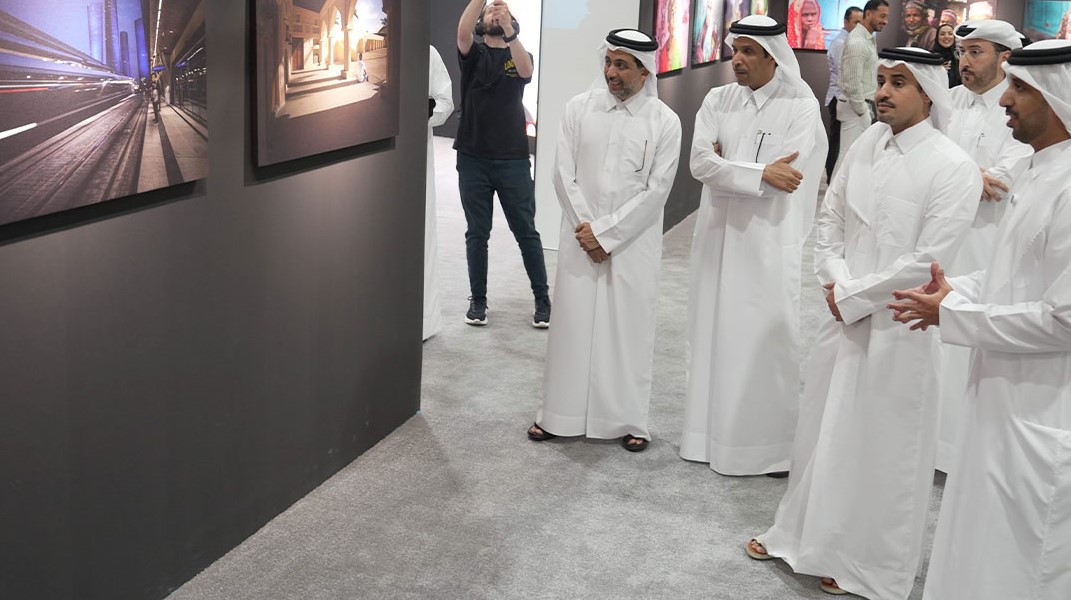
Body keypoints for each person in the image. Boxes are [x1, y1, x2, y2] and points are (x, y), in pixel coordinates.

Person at [746, 47, 982, 599]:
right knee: (823, 429)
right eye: (880, 80)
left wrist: (851, 294)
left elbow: (928, 262)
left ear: (928, 94)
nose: (882, 93)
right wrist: (835, 280)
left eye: (898, 82)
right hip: (843, 312)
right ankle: (801, 535)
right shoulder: (866, 143)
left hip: (902, 324)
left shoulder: (953, 166)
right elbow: (830, 217)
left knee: (883, 444)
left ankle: (868, 563)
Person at [886, 39, 1071, 600]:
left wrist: (955, 312)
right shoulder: (1040, 170)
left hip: (1043, 401)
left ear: (1060, 99)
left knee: (1024, 555)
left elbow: (1064, 319)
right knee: (980, 537)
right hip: (1000, 391)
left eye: (1021, 90)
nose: (1006, 100)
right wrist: (956, 289)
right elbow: (1013, 272)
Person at [678, 15, 827, 476]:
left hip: (768, 240)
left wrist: (731, 169)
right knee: (711, 332)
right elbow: (700, 164)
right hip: (717, 235)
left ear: (773, 57)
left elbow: (789, 178)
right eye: (735, 50)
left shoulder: (801, 105)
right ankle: (706, 438)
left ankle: (766, 449)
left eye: (748, 52)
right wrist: (760, 172)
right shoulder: (717, 98)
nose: (737, 60)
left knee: (763, 338)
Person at [527, 29, 682, 452]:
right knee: (572, 326)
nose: (611, 72)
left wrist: (607, 234)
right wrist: (589, 230)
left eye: (622, 65)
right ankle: (558, 414)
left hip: (632, 244)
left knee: (627, 329)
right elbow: (563, 174)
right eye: (609, 62)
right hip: (580, 238)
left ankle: (628, 420)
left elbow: (657, 190)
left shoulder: (665, 122)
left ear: (644, 72)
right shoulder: (579, 108)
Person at [935, 19, 1032, 472]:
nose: (965, 61)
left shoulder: (1020, 109)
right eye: (962, 53)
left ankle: (956, 452)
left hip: (984, 245)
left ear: (1004, 58)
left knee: (967, 347)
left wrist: (945, 175)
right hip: (938, 241)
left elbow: (998, 184)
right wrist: (966, 177)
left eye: (976, 52)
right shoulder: (949, 101)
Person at [455, 0, 551, 328]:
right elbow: (462, 33)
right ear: (481, 23)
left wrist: (509, 28)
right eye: (489, 13)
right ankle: (478, 300)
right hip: (473, 158)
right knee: (477, 233)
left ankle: (542, 299)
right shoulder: (474, 54)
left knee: (526, 231)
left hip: (513, 159)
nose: (495, 14)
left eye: (503, 12)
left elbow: (526, 72)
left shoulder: (519, 54)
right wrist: (480, 2)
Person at [833, 0, 890, 176]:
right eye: (882, 16)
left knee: (854, 157)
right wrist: (862, 111)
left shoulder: (867, 39)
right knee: (847, 157)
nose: (885, 21)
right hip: (855, 109)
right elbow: (852, 83)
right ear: (869, 14)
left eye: (887, 17)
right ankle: (834, 195)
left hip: (860, 107)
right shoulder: (858, 42)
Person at [423, 46, 454, 341]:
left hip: (414, 158)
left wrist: (422, 113)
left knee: (418, 236)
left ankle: (422, 321)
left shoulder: (426, 53)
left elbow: (445, 102)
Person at [825, 6, 864, 180]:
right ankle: (832, 180)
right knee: (837, 143)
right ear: (846, 22)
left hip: (845, 98)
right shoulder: (842, 44)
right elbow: (848, 75)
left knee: (843, 142)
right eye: (856, 22)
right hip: (840, 98)